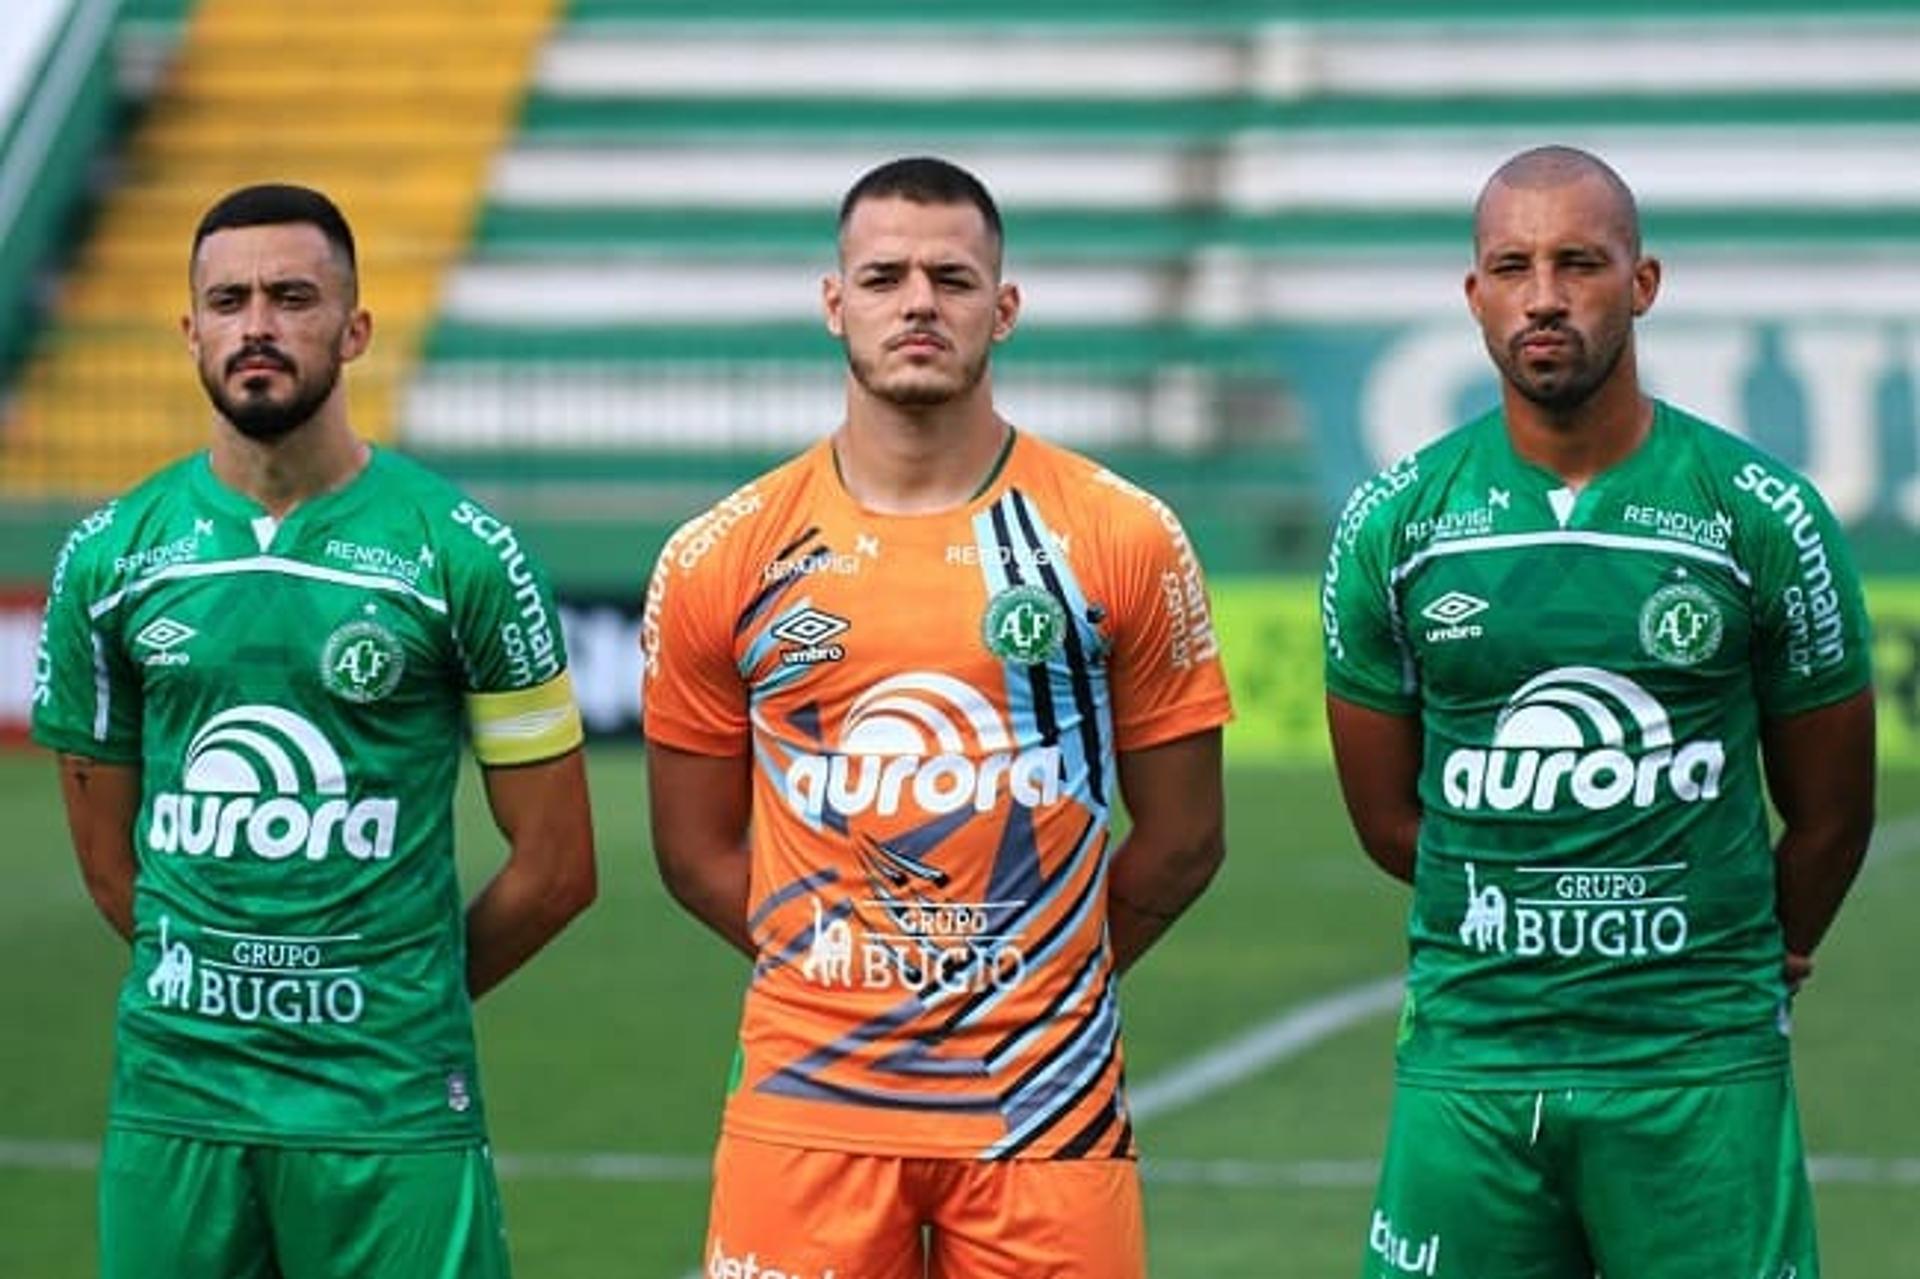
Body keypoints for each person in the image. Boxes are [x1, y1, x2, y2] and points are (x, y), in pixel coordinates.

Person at [641, 156, 1232, 1279]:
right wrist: (836, 966)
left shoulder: (1120, 535)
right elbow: (692, 849)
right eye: (886, 276)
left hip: (1046, 1114)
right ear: (836, 303)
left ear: (1002, 310)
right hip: (806, 1109)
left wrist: (1047, 974)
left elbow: (1187, 837)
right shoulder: (722, 553)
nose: (920, 301)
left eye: (953, 279)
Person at [1322, 145, 1876, 1278]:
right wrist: (1523, 920)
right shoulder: (1394, 522)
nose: (1544, 296)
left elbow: (1831, 817)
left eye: (1579, 262)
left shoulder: (1761, 514)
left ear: (1643, 282)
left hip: (1698, 1067)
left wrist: (1742, 948)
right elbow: (1388, 823)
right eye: (1512, 266)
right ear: (1473, 295)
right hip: (1473, 1060)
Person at [30, 183, 597, 1279]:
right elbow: (114, 869)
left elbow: (560, 867)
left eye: (293, 297)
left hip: (391, 1110)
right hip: (178, 1106)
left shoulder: (462, 551)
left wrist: (395, 995)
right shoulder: (109, 558)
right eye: (228, 300)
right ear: (190, 328)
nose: (258, 326)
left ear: (355, 328)